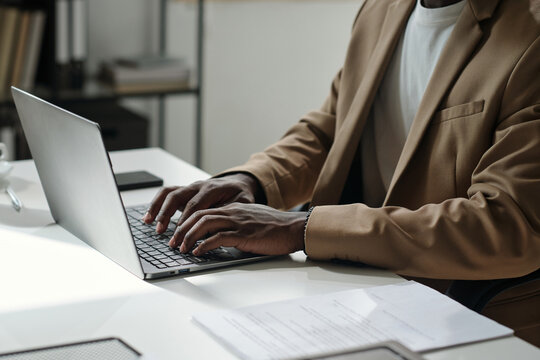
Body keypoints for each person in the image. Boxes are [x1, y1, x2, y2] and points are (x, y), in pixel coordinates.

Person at [144, 0, 540, 341]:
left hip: (468, 315)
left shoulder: (530, 37)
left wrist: (299, 229)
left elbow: (507, 224)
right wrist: (252, 181)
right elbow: (332, 127)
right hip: (365, 290)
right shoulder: (382, 9)